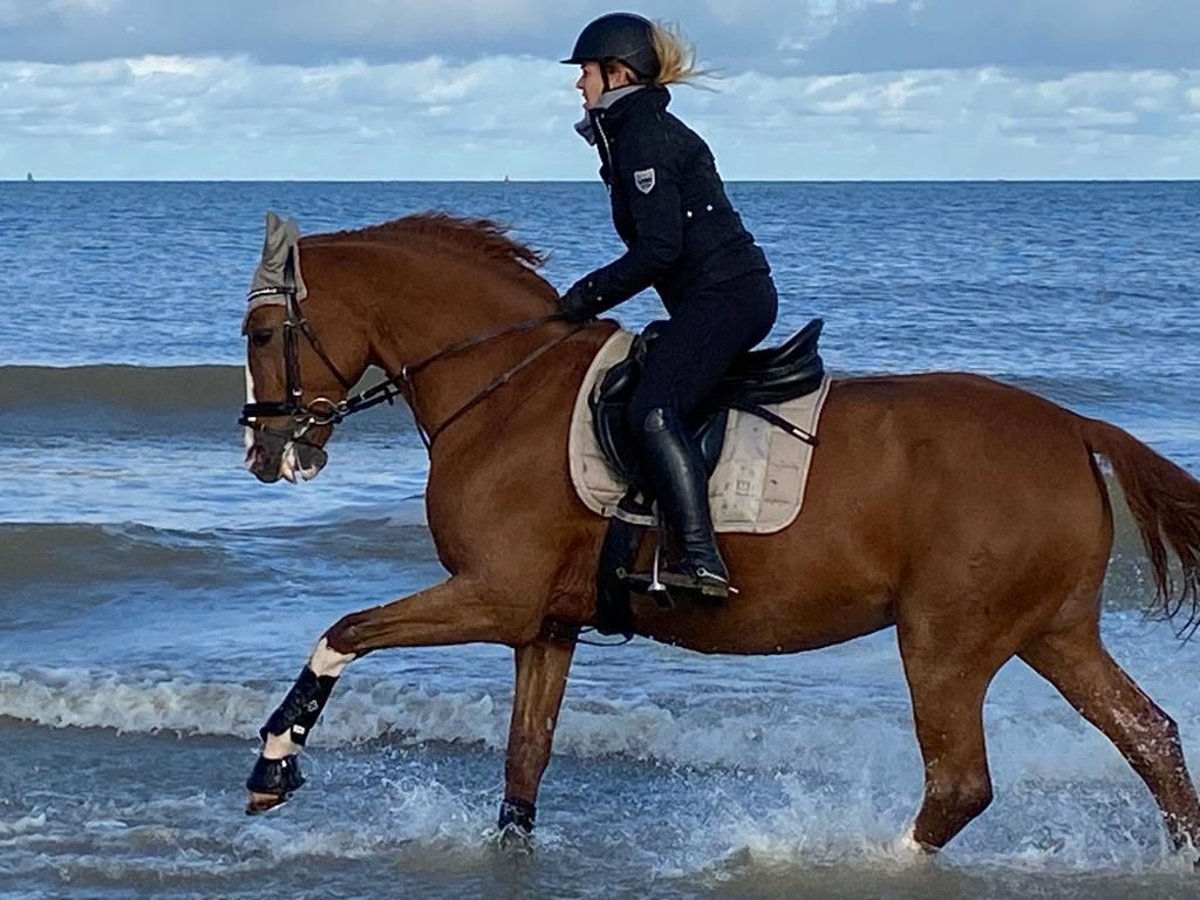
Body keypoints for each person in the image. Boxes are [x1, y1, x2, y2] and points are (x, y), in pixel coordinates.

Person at [559, 12, 779, 601]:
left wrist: (582, 299)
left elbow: (660, 250)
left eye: (585, 72)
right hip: (714, 298)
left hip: (727, 298)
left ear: (617, 72)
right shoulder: (632, 133)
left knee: (652, 412)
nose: (579, 85)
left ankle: (702, 561)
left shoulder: (645, 139)